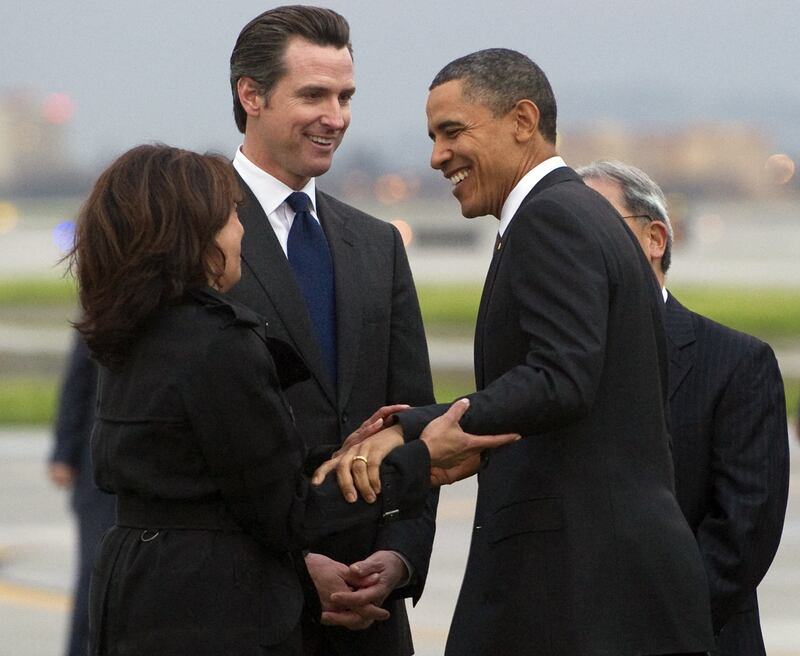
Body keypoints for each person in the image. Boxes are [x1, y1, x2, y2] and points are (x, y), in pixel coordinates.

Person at [316, 49, 715, 656]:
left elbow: (561, 377)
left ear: (522, 121)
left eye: (453, 132)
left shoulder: (550, 217)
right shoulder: (573, 213)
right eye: (432, 137)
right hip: (603, 579)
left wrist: (420, 432)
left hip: (582, 587)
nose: (436, 156)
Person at [70, 144, 514, 656]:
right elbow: (290, 513)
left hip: (138, 588)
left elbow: (215, 471)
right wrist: (420, 460)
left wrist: (345, 455)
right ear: (194, 235)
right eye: (231, 218)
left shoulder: (136, 330)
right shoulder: (218, 342)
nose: (241, 233)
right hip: (211, 605)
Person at [225, 6, 439, 654]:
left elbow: (411, 419)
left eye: (345, 96)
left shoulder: (378, 245)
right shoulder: (199, 235)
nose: (337, 117)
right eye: (314, 95)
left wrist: (399, 560)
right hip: (249, 613)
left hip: (370, 619)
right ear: (251, 95)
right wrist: (292, 569)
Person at [578, 159, 790, 656]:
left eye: (593, 227)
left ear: (655, 239)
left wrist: (645, 629)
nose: (575, 247)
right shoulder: (548, 367)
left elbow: (742, 535)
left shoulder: (738, 364)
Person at [48, 333, 115, 656]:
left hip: (134, 475)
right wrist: (64, 452)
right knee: (95, 574)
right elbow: (76, 384)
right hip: (96, 476)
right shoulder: (103, 311)